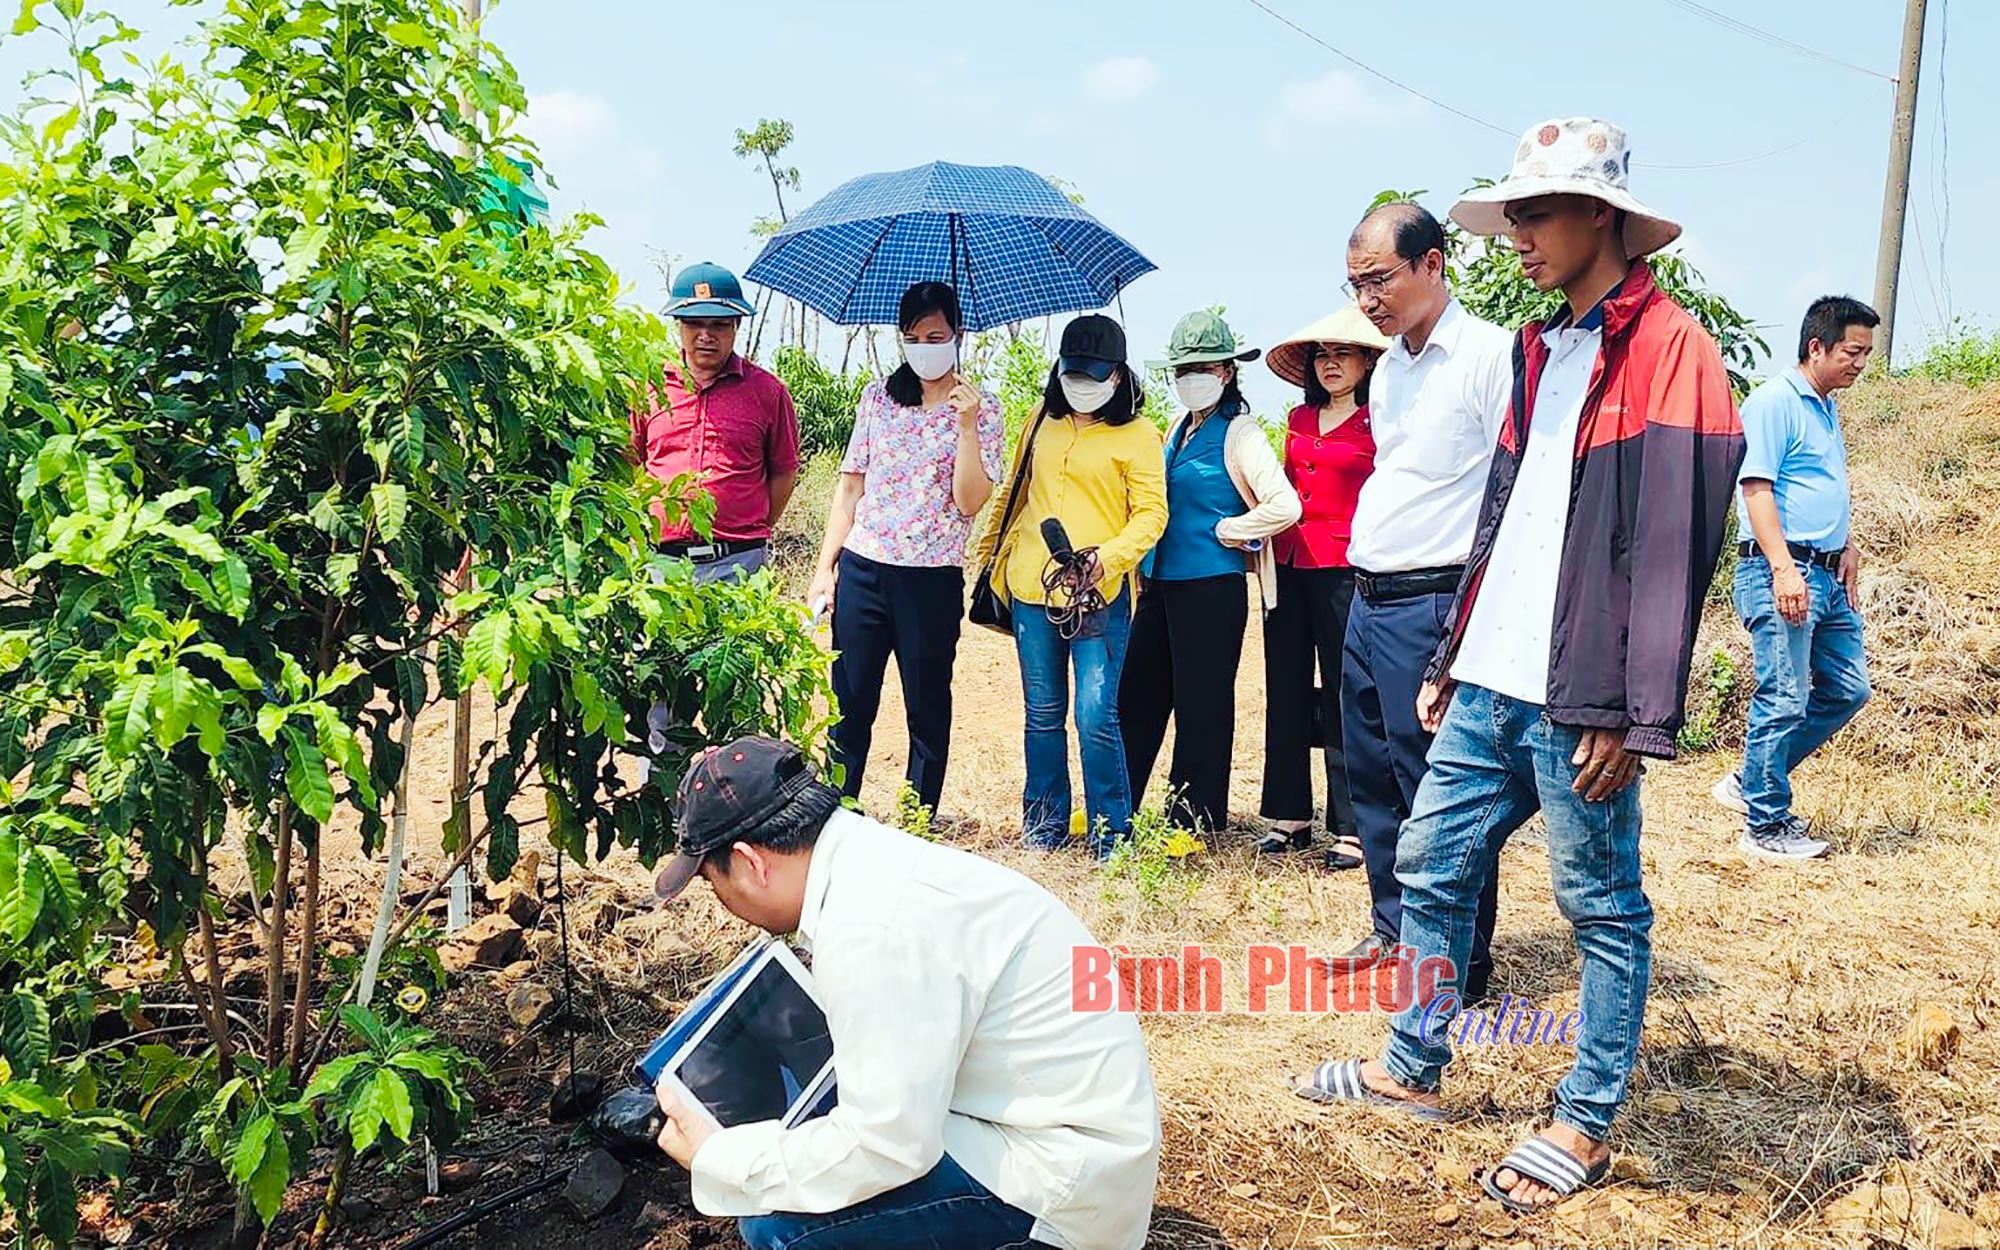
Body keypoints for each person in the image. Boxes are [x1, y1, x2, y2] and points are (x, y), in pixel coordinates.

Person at [1296, 118, 1743, 1215]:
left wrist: (1635, 709)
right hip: (1493, 668)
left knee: (1598, 905)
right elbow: (1503, 511)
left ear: (1599, 215)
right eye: (1512, 218)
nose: (1519, 238)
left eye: (1535, 215)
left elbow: (1676, 536)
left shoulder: (1670, 346)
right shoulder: (1542, 347)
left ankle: (1583, 1121)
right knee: (1434, 864)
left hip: (1579, 684)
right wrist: (1454, 650)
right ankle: (1412, 1065)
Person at [650, 736, 1161, 1250]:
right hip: (1058, 1142)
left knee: (778, 1225)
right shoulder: (872, 865)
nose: (723, 903)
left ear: (751, 863)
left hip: (1058, 1191)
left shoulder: (871, 928)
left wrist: (719, 1156)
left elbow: (887, 1147)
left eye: (715, 883)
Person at [1335, 202, 1514, 1000]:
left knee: (1437, 783)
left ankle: (1460, 963)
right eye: (1355, 284)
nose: (1367, 299)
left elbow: (1509, 493)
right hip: (1368, 594)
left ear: (1433, 265)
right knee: (1368, 772)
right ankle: (1394, 928)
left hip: (1435, 600)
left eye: (1379, 280)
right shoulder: (1392, 367)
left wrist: (1469, 623)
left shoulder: (1488, 357)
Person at [968, 315, 1167, 859]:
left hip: (1098, 596)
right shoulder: (1041, 421)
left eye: (1094, 375)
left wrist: (1107, 559)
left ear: (1120, 377)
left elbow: (1151, 516)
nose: (1081, 384)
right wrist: (989, 558)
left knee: (1096, 714)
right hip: (1033, 588)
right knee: (1042, 713)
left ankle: (1112, 834)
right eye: (1072, 373)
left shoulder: (1140, 435)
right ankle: (1044, 825)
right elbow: (1015, 490)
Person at [808, 282, 1004, 812]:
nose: (924, 346)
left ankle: (918, 816)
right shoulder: (878, 397)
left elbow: (970, 502)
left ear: (957, 335)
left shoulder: (983, 410)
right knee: (849, 702)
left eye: (936, 335)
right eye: (912, 337)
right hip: (865, 568)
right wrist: (826, 568)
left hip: (931, 578)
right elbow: (850, 489)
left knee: (927, 704)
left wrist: (965, 425)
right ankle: (838, 811)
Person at [1120, 311, 1300, 835]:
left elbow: (1283, 505)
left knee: (1201, 705)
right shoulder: (1176, 428)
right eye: (1183, 369)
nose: (1191, 377)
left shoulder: (1240, 431)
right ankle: (1119, 806)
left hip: (1211, 587)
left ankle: (1192, 822)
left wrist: (1231, 530)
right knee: (1138, 695)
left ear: (1226, 371)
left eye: (1203, 366)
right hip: (1159, 582)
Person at [1713, 297, 1877, 861]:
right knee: (1783, 693)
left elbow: (1818, 486)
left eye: (1866, 354)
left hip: (1828, 574)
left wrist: (1847, 544)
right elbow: (1756, 488)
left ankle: (1752, 778)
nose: (1861, 363)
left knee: (1848, 687)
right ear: (1817, 347)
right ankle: (1764, 824)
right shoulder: (1774, 402)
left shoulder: (1825, 407)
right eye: (1853, 351)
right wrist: (1783, 567)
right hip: (1783, 569)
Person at [1256, 308, 1390, 861]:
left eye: (1343, 353)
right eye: (1322, 355)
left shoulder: (1380, 421)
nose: (1331, 364)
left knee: (1345, 693)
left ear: (1366, 361)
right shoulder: (1298, 418)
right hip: (1287, 564)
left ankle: (1352, 824)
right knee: (1285, 689)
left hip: (1345, 568)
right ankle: (1289, 813)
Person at [631, 261, 801, 582]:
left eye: (719, 324)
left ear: (736, 325)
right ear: (678, 325)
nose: (705, 335)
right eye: (695, 323)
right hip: (660, 564)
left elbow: (784, 470)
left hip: (739, 563)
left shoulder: (768, 392)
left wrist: (749, 527)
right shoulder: (647, 387)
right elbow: (631, 460)